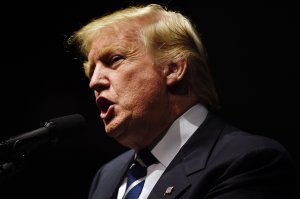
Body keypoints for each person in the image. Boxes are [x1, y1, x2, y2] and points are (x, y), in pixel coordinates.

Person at [68, 4, 296, 199]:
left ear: (173, 68)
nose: (94, 82)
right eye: (92, 71)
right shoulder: (106, 176)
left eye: (114, 60)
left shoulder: (247, 161)